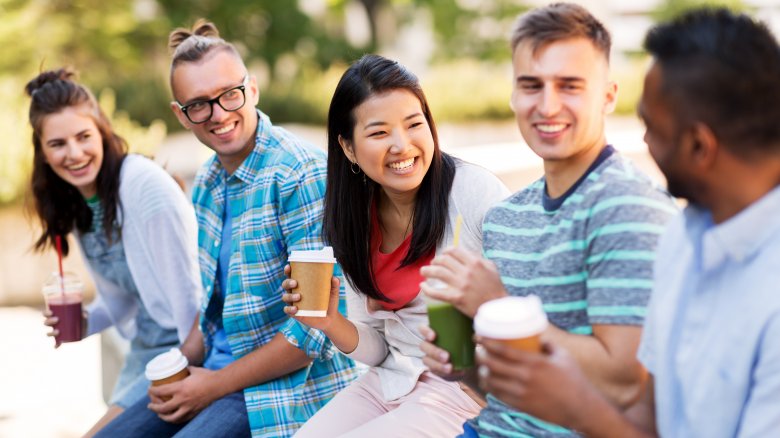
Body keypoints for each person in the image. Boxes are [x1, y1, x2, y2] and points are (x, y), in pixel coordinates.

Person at [477, 7, 780, 437]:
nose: (641, 141)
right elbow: (648, 420)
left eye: (650, 125)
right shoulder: (684, 236)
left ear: (699, 145)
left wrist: (576, 406)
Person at [419, 3, 678, 436]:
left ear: (609, 94)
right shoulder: (504, 219)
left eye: (570, 85)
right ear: (513, 96)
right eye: (531, 85)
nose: (548, 104)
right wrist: (462, 366)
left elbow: (624, 383)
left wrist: (497, 304)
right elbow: (514, 387)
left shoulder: (629, 209)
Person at [95, 20, 358, 437]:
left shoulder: (300, 175)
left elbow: (314, 334)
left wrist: (210, 386)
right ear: (180, 115)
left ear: (251, 89)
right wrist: (179, 369)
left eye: (229, 95)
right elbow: (211, 310)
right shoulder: (209, 182)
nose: (219, 115)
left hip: (284, 392)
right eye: (199, 105)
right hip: (213, 374)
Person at [281, 54, 510, 436]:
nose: (402, 145)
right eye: (379, 132)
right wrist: (329, 322)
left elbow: (535, 299)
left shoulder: (472, 194)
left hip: (466, 385)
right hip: (392, 379)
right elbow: (381, 352)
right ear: (349, 148)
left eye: (413, 124)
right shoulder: (351, 219)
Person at [26, 68, 201, 436]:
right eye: (57, 144)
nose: (74, 154)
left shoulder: (143, 186)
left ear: (101, 132)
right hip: (143, 349)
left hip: (186, 349)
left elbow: (190, 292)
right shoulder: (78, 207)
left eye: (83, 137)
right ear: (42, 152)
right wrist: (83, 324)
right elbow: (123, 300)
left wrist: (189, 374)